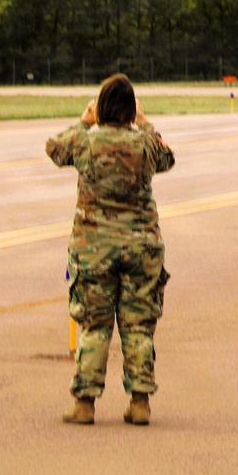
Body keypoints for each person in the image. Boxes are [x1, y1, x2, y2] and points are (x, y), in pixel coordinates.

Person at [46, 74, 174, 427]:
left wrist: (85, 120)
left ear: (101, 108)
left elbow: (55, 149)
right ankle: (140, 402)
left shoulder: (86, 142)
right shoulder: (145, 144)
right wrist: (144, 122)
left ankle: (85, 404)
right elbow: (167, 157)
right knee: (138, 326)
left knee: (94, 324)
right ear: (131, 111)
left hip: (94, 248)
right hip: (141, 247)